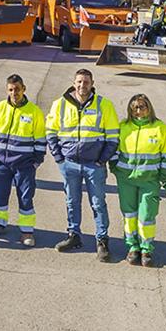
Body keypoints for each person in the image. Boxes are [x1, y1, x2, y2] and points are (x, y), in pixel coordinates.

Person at [46, 68, 120, 261]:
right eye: (79, 82)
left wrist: (101, 160)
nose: (82, 85)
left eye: (86, 82)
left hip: (94, 166)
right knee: (72, 202)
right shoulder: (60, 104)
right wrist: (59, 158)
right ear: (74, 82)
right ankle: (74, 236)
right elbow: (51, 132)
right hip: (69, 164)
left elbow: (113, 137)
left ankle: (102, 241)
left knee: (98, 204)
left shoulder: (104, 105)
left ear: (92, 83)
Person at [0, 74, 46, 246]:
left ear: (24, 89)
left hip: (24, 165)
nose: (14, 93)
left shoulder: (34, 112)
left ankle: (27, 232)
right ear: (7, 90)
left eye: (17, 89)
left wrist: (36, 161)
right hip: (0, 163)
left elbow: (40, 139)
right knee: (0, 195)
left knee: (25, 197)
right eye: (11, 89)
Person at [113, 94, 166, 266]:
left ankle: (147, 249)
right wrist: (115, 168)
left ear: (149, 107)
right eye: (135, 108)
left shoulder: (160, 128)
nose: (139, 111)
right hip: (126, 180)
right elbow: (114, 149)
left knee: (147, 216)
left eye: (142, 106)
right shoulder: (123, 126)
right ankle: (133, 247)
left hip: (149, 181)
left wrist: (163, 179)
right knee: (129, 215)